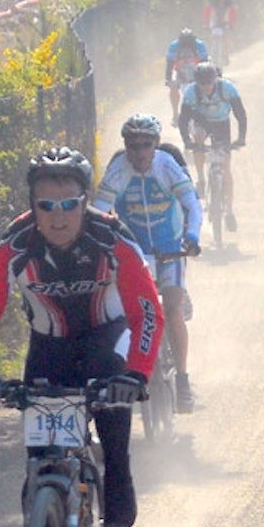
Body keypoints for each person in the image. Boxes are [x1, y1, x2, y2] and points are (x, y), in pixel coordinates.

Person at [0, 147, 162, 527]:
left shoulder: (111, 239)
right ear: (32, 206)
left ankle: (117, 474)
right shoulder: (14, 246)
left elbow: (147, 312)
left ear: (85, 203)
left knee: (112, 399)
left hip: (107, 336)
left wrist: (137, 373)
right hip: (49, 346)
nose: (58, 216)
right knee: (38, 461)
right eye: (46, 205)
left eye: (69, 204)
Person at [94, 115, 203, 412]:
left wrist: (191, 235)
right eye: (133, 145)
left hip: (169, 248)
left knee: (173, 309)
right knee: (130, 314)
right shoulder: (118, 171)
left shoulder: (167, 166)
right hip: (135, 253)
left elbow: (192, 205)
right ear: (126, 146)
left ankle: (182, 380)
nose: (140, 152)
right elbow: (97, 215)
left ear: (156, 145)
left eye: (146, 145)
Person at [176, 62, 248, 232]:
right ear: (197, 82)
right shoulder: (191, 92)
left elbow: (240, 114)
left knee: (225, 166)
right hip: (201, 122)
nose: (207, 87)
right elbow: (184, 120)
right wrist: (187, 141)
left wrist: (241, 138)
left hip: (222, 124)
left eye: (209, 83)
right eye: (203, 84)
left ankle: (229, 211)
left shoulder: (228, 88)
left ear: (215, 79)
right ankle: (201, 178)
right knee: (198, 138)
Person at [164, 28, 209, 127]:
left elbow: (205, 62)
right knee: (173, 87)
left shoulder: (200, 44)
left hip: (197, 71)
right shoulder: (174, 46)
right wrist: (168, 79)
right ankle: (175, 114)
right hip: (179, 72)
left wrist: (206, 77)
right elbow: (169, 64)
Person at [201, 0, 238, 66]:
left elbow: (233, 14)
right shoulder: (211, 2)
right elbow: (207, 13)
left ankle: (225, 54)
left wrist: (232, 25)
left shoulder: (230, 3)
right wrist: (205, 24)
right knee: (212, 37)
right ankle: (212, 54)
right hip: (214, 23)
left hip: (225, 22)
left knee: (227, 37)